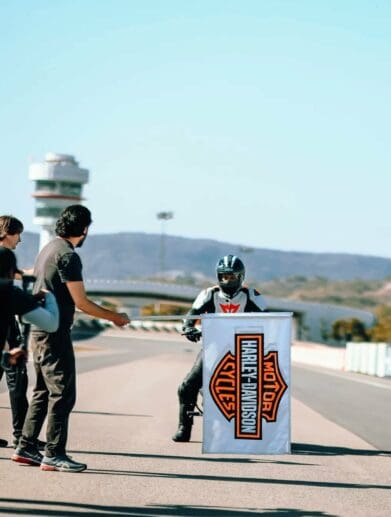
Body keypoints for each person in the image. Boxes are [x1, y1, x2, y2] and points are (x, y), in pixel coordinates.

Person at [12, 204, 130, 473]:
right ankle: (53, 454)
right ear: (85, 229)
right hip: (55, 334)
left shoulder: (49, 248)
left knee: (43, 391)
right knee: (63, 393)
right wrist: (115, 316)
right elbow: (82, 302)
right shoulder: (67, 256)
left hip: (40, 331)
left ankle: (26, 446)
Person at [172, 254, 267, 442]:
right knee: (187, 386)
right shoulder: (209, 294)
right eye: (223, 276)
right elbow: (190, 316)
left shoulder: (253, 295)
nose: (227, 280)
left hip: (244, 351)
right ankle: (184, 427)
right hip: (213, 348)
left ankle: (255, 428)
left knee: (256, 388)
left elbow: (270, 322)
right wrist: (189, 328)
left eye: (231, 276)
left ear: (241, 277)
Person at [0, 248, 59, 447]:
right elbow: (51, 323)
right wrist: (47, 297)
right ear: (10, 271)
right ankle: (24, 443)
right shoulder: (10, 293)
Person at [0, 215, 46, 449]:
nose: (19, 240)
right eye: (18, 234)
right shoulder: (4, 256)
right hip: (6, 328)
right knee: (17, 378)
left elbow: (20, 274)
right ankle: (21, 435)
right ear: (8, 232)